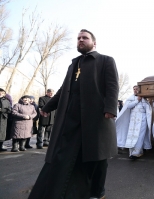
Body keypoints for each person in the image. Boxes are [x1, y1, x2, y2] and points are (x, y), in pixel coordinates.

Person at [28, 29, 119, 199]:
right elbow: (64, 90)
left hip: (96, 118)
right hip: (71, 120)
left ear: (94, 42)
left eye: (85, 38)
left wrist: (110, 109)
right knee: (70, 156)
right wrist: (48, 107)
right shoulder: (74, 64)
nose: (81, 40)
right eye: (78, 38)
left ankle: (98, 192)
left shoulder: (105, 60)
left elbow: (112, 85)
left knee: (98, 158)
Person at [116, 85, 152, 159]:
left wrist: (142, 100)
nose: (135, 90)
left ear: (139, 90)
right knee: (131, 135)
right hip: (133, 120)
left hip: (142, 119)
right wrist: (137, 100)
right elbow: (128, 106)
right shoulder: (130, 98)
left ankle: (137, 152)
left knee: (140, 136)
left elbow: (147, 109)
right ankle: (132, 152)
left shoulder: (144, 99)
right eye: (134, 89)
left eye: (136, 89)